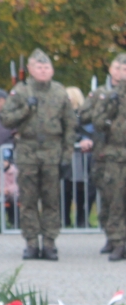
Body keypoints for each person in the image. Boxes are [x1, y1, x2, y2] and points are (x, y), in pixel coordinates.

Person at [0, 49, 76, 261]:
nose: (43, 70)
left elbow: (70, 125)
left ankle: (50, 242)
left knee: (52, 200)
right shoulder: (21, 91)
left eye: (47, 67)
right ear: (30, 70)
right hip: (28, 150)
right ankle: (31, 242)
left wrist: (66, 156)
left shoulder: (60, 92)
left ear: (52, 70)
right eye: (39, 67)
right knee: (29, 199)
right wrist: (25, 109)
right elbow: (6, 119)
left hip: (52, 150)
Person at [80, 55, 126, 254]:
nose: (121, 72)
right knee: (110, 198)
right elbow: (83, 117)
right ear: (111, 70)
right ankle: (113, 237)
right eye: (117, 67)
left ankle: (120, 239)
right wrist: (105, 107)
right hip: (105, 153)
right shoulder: (100, 93)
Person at [63, 87, 94, 229]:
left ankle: (81, 219)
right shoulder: (62, 115)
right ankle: (65, 219)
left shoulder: (83, 116)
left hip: (81, 157)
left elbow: (89, 131)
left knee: (81, 189)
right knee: (65, 188)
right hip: (67, 156)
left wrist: (84, 139)